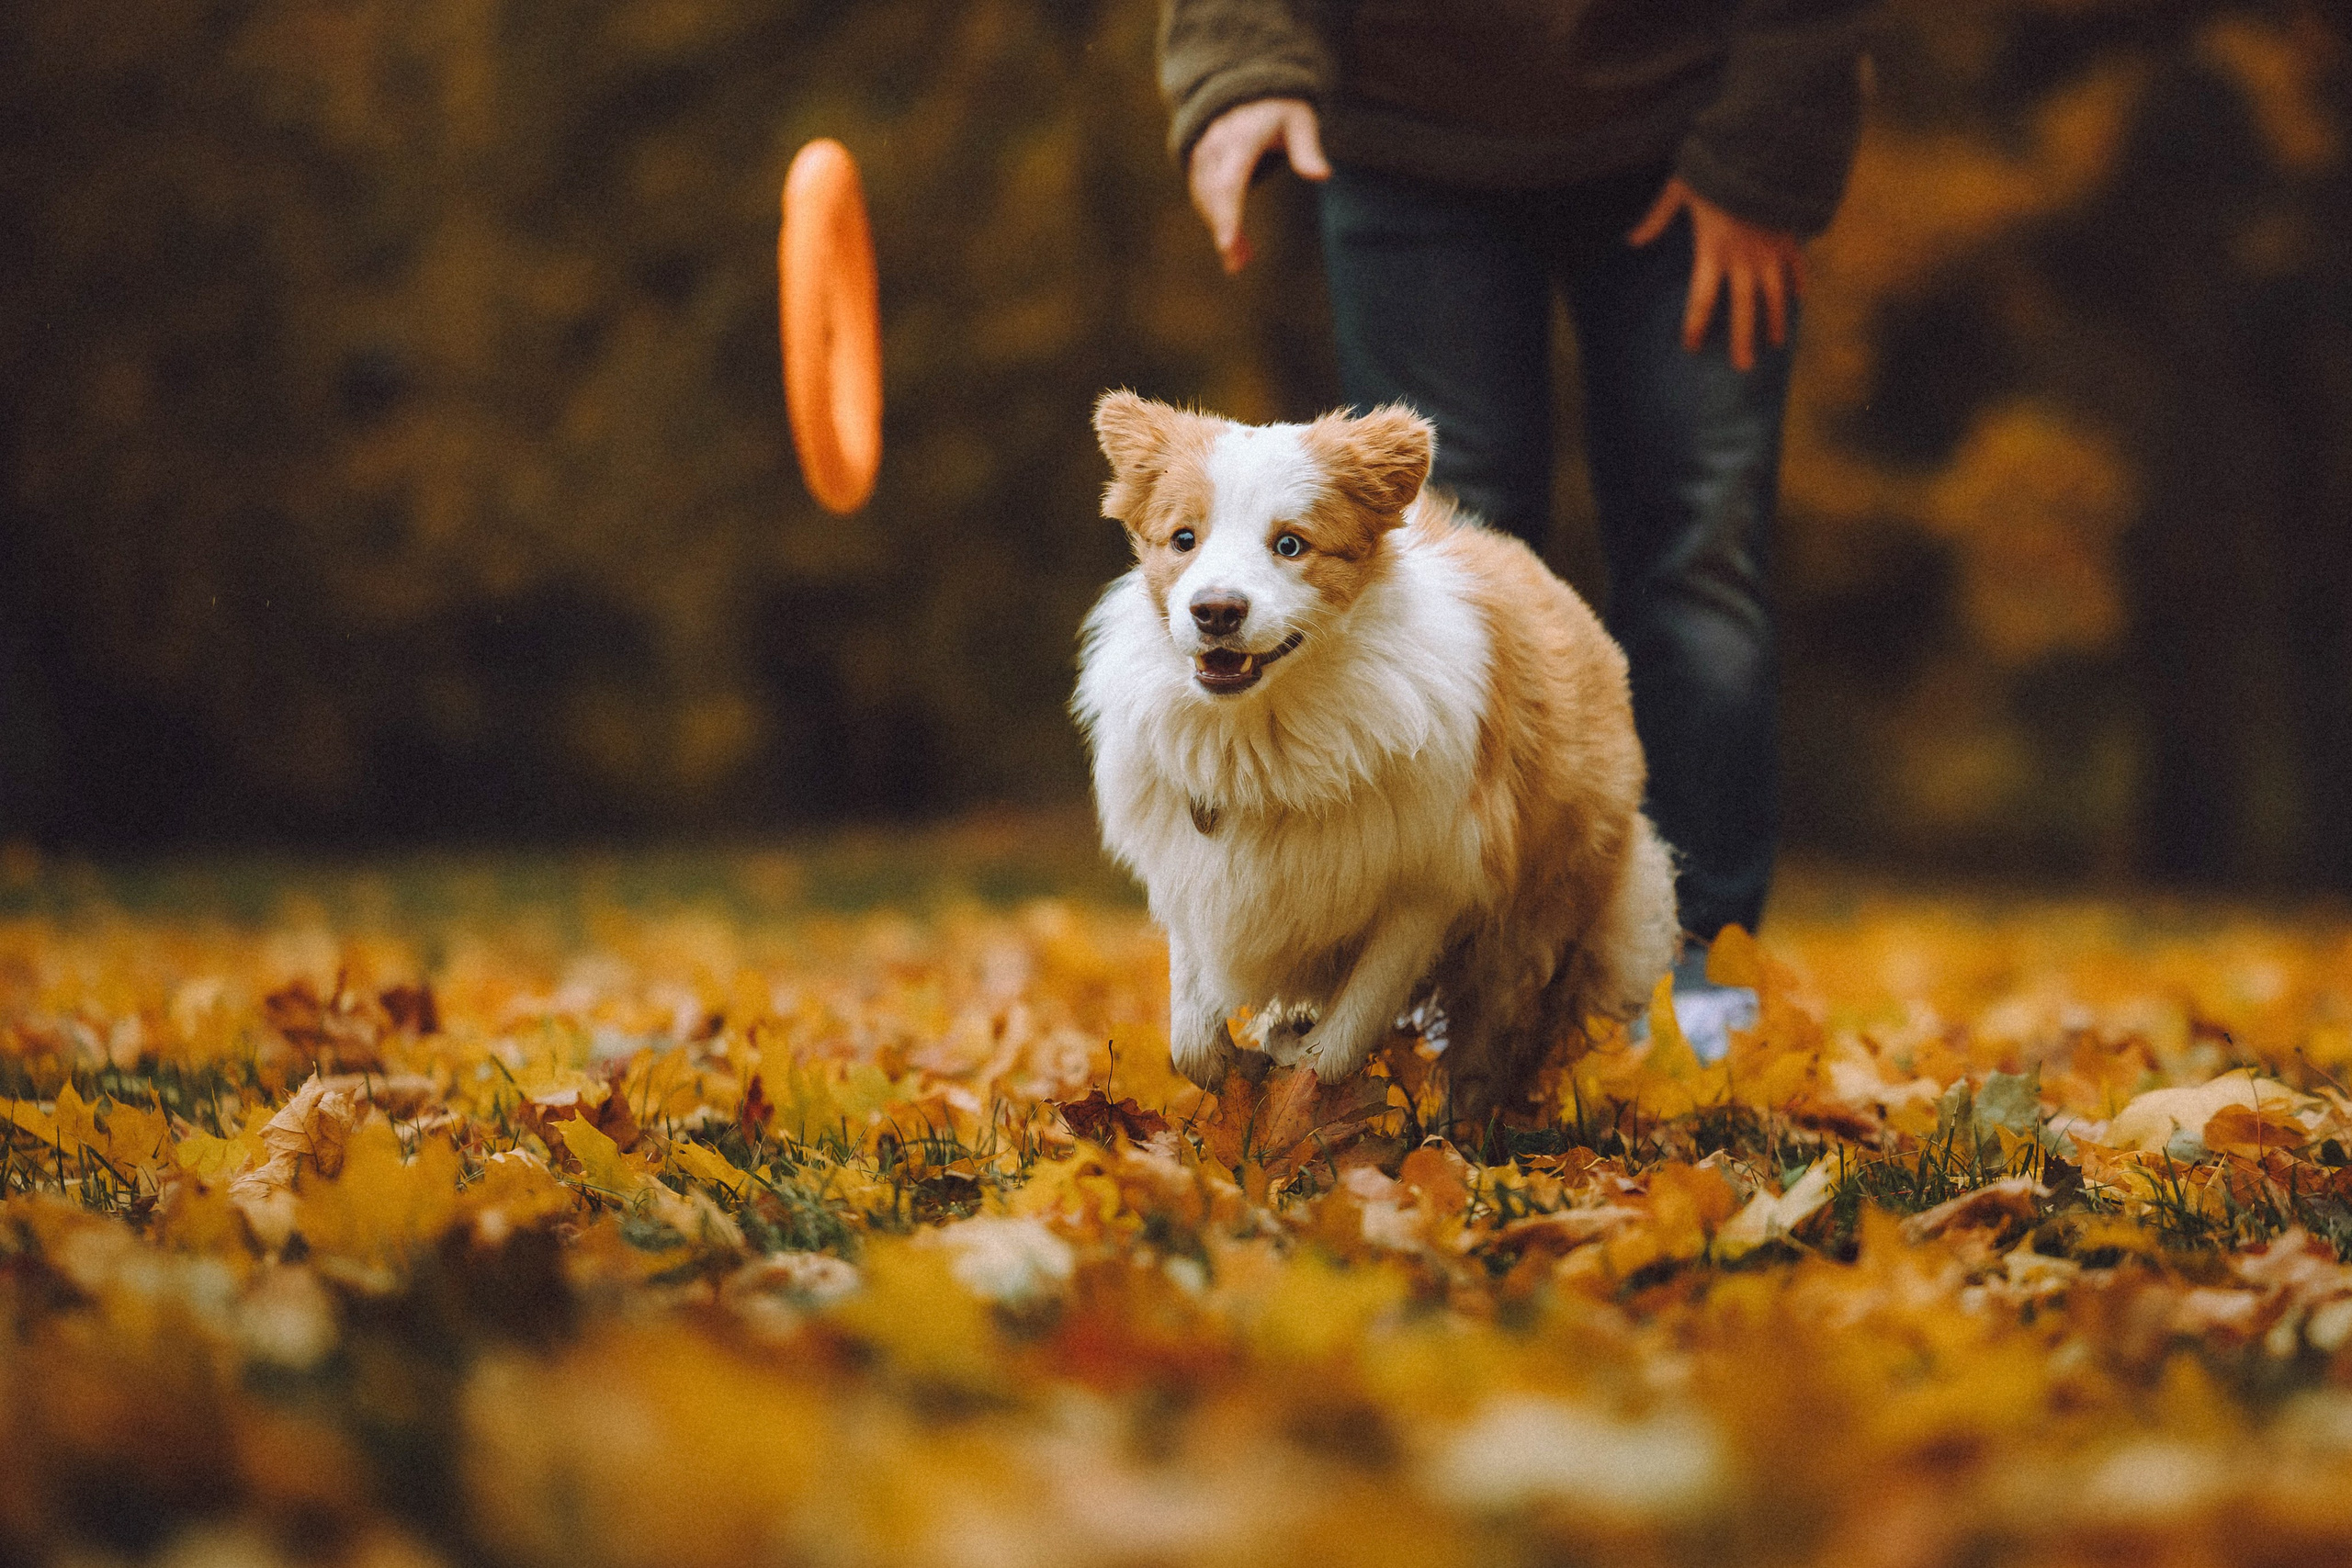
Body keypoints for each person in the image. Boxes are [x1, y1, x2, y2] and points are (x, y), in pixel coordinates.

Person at [1156, 0, 1873, 1058]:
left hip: (1689, 124)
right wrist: (1240, 63)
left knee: (1699, 554)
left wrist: (1764, 150)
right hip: (1408, 138)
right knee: (1446, 563)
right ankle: (1454, 982)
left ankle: (1706, 982)